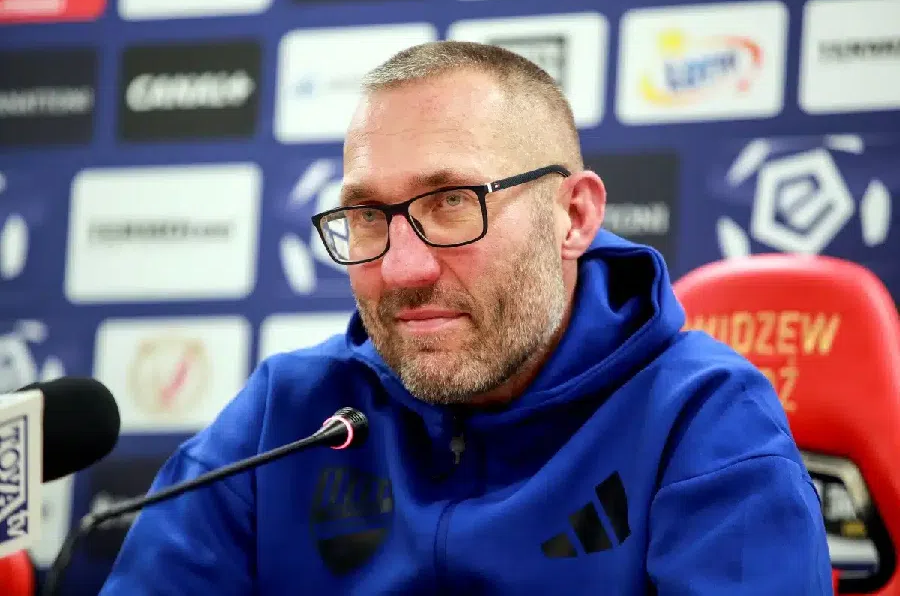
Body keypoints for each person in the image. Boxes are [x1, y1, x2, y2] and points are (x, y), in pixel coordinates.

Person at [99, 42, 833, 595]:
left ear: (573, 216)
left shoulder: (703, 418)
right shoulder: (289, 414)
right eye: (367, 214)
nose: (402, 269)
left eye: (452, 202)